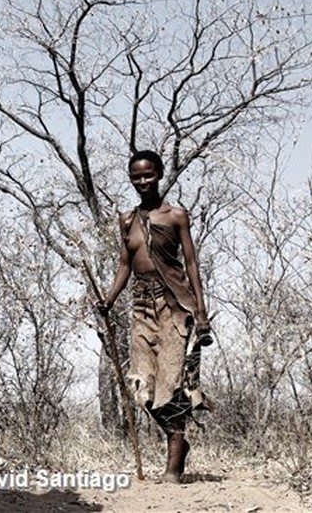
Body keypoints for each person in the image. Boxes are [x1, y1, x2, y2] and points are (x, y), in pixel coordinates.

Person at [99, 150, 213, 484]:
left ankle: (173, 465)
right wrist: (108, 298)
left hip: (174, 305)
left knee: (172, 383)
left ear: (160, 174)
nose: (142, 181)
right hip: (141, 305)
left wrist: (201, 311)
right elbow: (124, 264)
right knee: (143, 387)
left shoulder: (176, 216)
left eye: (148, 175)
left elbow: (191, 263)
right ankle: (179, 440)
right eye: (136, 176)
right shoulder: (127, 220)